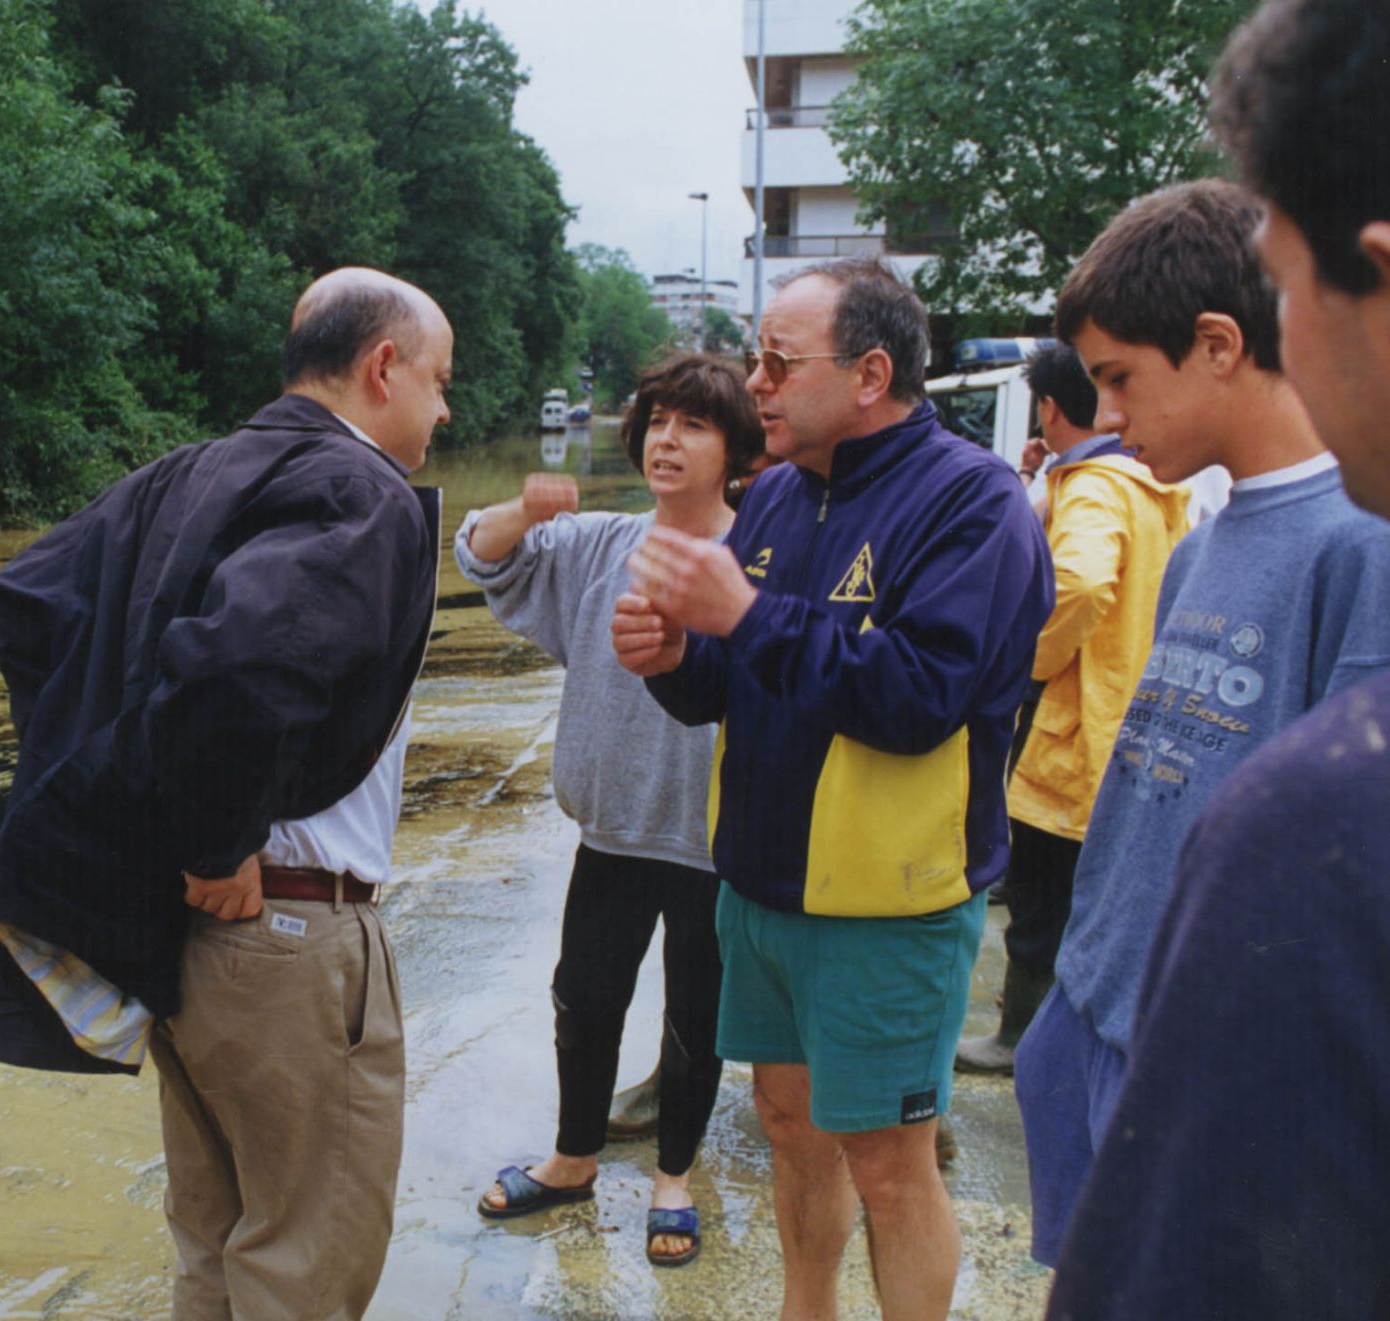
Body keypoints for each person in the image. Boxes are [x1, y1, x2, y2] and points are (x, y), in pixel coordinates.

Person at [0, 267, 449, 1320]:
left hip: (176, 936)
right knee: (303, 1262)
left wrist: (127, 819)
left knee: (217, 1250)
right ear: (381, 368)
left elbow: (35, 604)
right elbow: (236, 671)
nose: (445, 411)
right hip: (283, 927)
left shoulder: (181, 474)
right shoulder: (362, 490)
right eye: (440, 382)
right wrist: (215, 839)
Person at [614, 255, 1052, 1320]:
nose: (753, 382)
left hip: (886, 905)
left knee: (893, 1163)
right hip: (760, 891)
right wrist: (673, 654)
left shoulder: (973, 502)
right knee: (789, 1130)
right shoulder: (775, 498)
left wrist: (747, 615)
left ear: (869, 373)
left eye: (775, 360)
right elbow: (733, 686)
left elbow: (919, 696)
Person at [1046, 2, 1390, 1315]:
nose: (1109, 420)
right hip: (1113, 1008)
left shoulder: (1357, 545)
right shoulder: (1204, 529)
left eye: (1123, 382)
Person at [460, 353, 764, 1267]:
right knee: (585, 998)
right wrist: (526, 508)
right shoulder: (599, 542)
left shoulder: (760, 555)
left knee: (694, 1015)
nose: (668, 440)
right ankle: (573, 1154)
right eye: (657, 421)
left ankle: (674, 1176)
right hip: (612, 827)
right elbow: (482, 551)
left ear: (735, 448)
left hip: (713, 839)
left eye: (695, 425)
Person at [955, 343, 1189, 1074]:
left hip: (1077, 724)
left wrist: (1024, 661)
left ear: (1050, 408)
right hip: (1139, 715)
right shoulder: (1151, 481)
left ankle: (1019, 1036)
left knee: (1042, 898)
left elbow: (1081, 583)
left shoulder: (1093, 487)